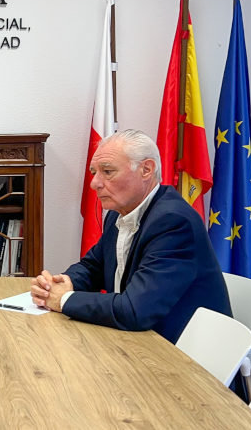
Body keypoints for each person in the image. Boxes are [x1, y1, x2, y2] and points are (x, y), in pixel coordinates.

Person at [30, 129, 231, 344]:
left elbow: (135, 310)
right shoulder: (119, 212)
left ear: (146, 169)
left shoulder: (173, 221)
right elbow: (93, 267)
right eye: (94, 172)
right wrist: (61, 283)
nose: (94, 183)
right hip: (137, 340)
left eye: (107, 172)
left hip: (180, 355)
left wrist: (64, 299)